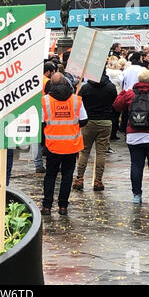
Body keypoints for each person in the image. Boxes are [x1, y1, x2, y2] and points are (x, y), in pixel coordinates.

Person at [113, 69, 149, 205]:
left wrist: (123, 92)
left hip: (134, 136)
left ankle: (136, 195)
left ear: (138, 80)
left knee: (136, 165)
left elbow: (116, 106)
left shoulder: (130, 94)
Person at [41, 73, 88, 216]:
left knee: (50, 175)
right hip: (71, 145)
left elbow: (42, 122)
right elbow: (84, 120)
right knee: (67, 176)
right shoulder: (76, 100)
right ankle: (63, 206)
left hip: (53, 144)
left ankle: (47, 206)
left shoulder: (45, 101)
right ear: (65, 83)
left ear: (52, 85)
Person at [73, 69, 117, 192]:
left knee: (84, 151)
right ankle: (98, 180)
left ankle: (79, 178)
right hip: (105, 121)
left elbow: (78, 103)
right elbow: (115, 102)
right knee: (101, 152)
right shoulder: (111, 87)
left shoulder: (86, 87)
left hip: (88, 122)